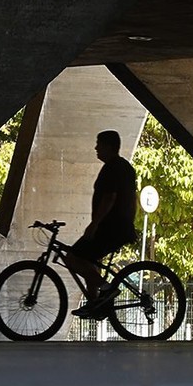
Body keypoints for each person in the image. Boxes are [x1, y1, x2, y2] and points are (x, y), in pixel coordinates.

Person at [62, 130, 139, 319]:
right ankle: (96, 303)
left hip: (111, 227)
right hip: (120, 227)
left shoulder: (113, 167)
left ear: (109, 146)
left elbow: (109, 198)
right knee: (88, 261)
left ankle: (107, 289)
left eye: (99, 144)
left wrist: (94, 224)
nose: (96, 148)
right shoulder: (125, 167)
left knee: (72, 258)